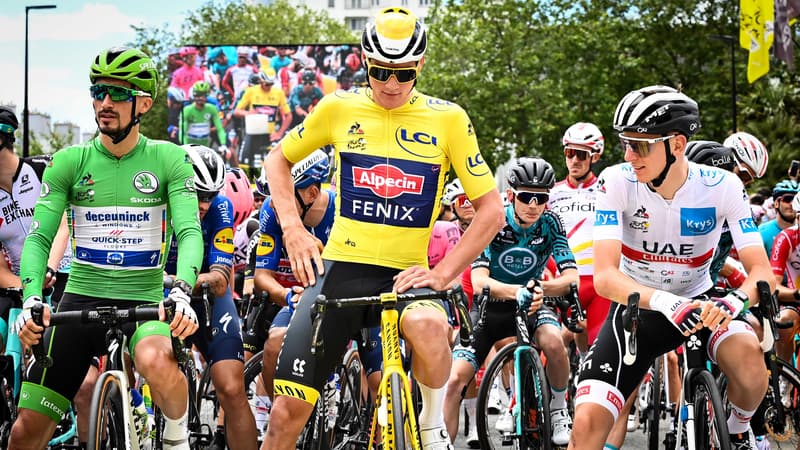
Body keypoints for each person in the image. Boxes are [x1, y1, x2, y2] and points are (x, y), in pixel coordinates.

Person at [261, 7, 504, 450]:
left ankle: (431, 427)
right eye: (380, 71)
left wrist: (443, 273)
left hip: (407, 273)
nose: (392, 84)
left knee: (431, 329)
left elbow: (491, 211)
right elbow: (277, 159)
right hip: (340, 269)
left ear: (421, 66)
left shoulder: (448, 118)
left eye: (404, 73)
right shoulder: (337, 107)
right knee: (283, 418)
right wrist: (293, 227)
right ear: (364, 62)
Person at [10, 46, 204, 450]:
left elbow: (188, 232)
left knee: (154, 359)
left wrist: (183, 292)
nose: (105, 103)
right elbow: (39, 238)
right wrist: (31, 297)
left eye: (118, 93)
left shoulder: (168, 158)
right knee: (25, 432)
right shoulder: (70, 160)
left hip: (142, 299)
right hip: (79, 300)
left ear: (144, 103)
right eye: (98, 92)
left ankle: (175, 436)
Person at [569, 85, 774, 450]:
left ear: (677, 144)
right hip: (641, 309)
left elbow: (761, 272)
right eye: (625, 144)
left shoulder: (723, 186)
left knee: (751, 363)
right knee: (585, 425)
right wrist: (665, 302)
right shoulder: (616, 181)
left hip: (702, 303)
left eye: (641, 145)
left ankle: (738, 428)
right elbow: (604, 276)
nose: (630, 155)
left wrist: (735, 302)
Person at [445, 157, 578, 446]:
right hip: (489, 310)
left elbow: (571, 277)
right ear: (510, 195)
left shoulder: (551, 222)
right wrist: (517, 290)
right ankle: (441, 443)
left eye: (540, 198)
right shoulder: (493, 220)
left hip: (532, 304)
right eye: (526, 197)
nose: (533, 204)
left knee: (555, 342)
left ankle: (557, 409)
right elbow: (479, 282)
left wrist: (542, 288)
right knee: (455, 381)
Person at [164, 144, 256, 450]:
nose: (204, 203)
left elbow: (219, 281)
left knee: (231, 387)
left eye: (210, 195)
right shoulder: (157, 204)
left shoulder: (221, 207)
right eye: (198, 194)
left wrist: (180, 282)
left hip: (207, 300)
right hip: (161, 298)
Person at [548, 122, 611, 352]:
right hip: (564, 277)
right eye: (569, 152)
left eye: (581, 154)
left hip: (598, 278)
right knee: (556, 341)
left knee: (597, 343)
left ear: (594, 157)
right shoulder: (552, 193)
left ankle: (585, 367)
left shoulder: (607, 190)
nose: (574, 160)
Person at [234, 69, 291, 179]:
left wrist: (280, 133)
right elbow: (237, 111)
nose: (268, 86)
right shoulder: (251, 91)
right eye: (266, 84)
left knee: (273, 163)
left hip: (270, 135)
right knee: (246, 161)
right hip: (253, 132)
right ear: (260, 81)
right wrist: (248, 113)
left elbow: (288, 115)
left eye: (271, 84)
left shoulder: (278, 93)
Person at [180, 81, 227, 149]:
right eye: (198, 95)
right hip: (190, 145)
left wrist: (223, 144)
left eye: (203, 95)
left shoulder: (212, 109)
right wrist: (184, 147)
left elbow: (220, 129)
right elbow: (182, 132)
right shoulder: (187, 110)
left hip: (205, 146)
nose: (201, 98)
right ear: (194, 96)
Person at [759, 179, 799, 257]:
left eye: (797, 200)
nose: (792, 204)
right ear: (776, 203)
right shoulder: (761, 232)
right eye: (788, 199)